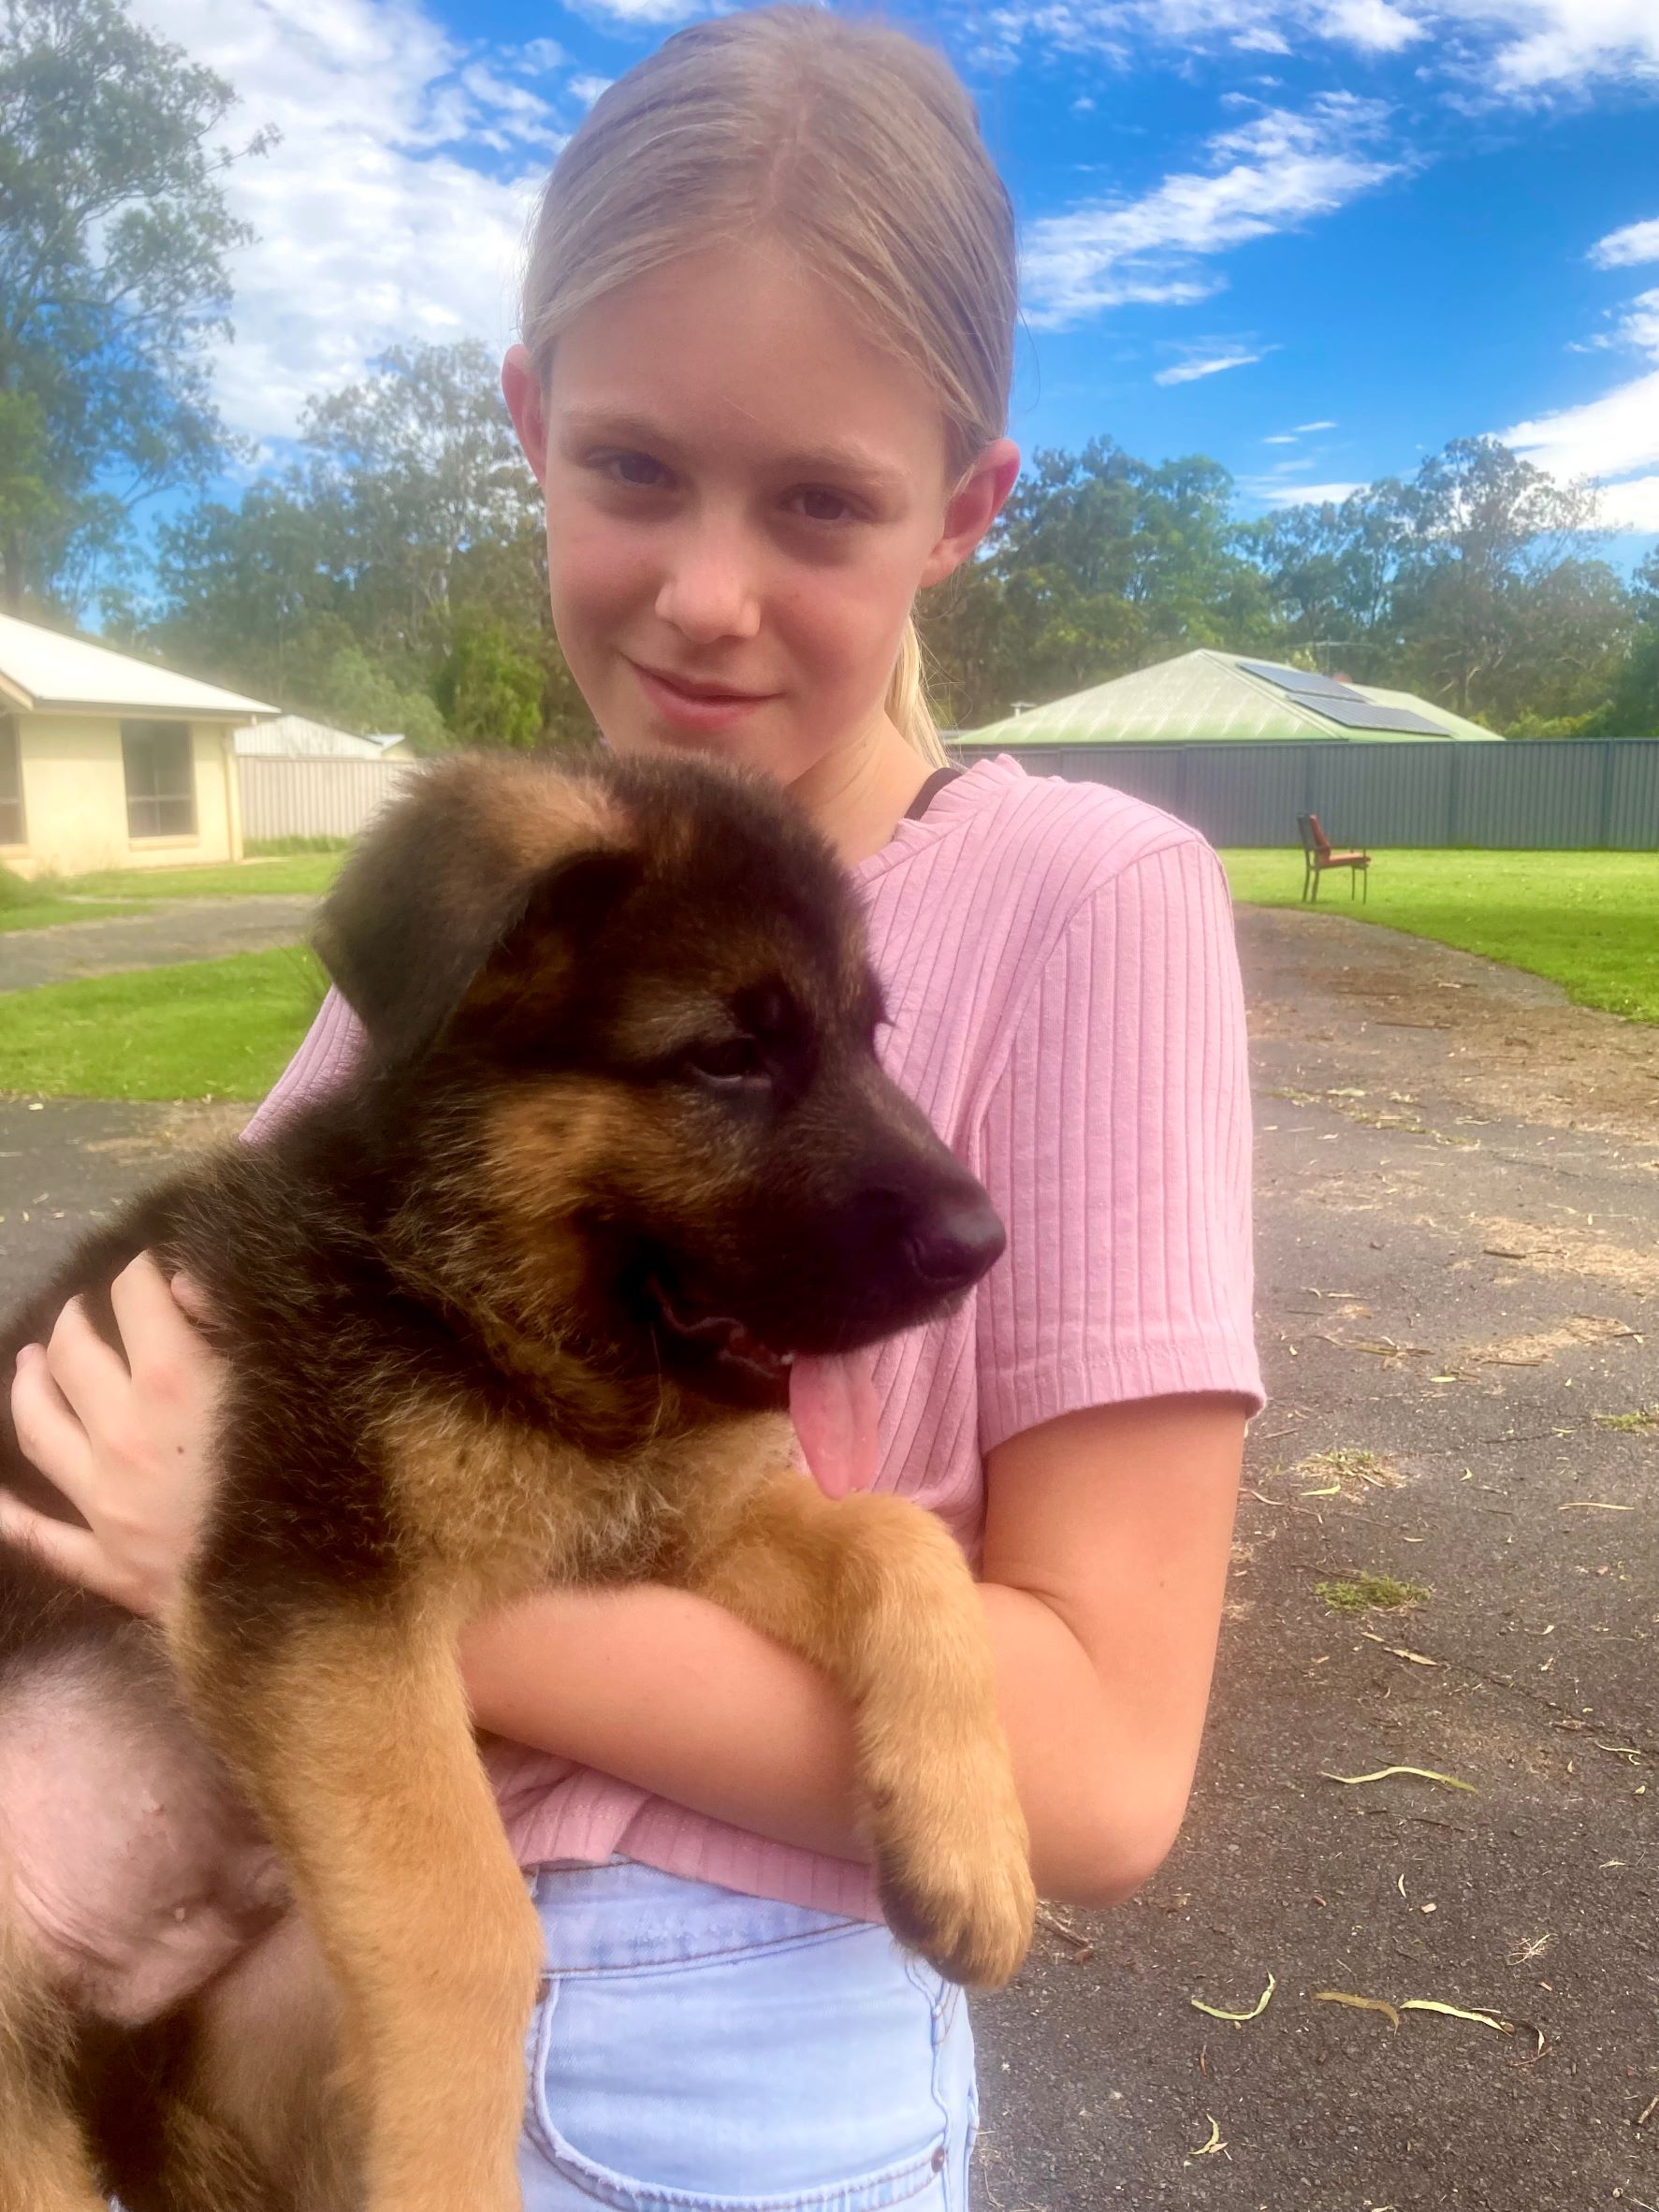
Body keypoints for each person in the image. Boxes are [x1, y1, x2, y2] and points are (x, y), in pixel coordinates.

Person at [1, 10, 1263, 2205]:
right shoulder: (501, 939)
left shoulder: (1086, 896)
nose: (703, 591)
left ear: (966, 505)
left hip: (688, 2069)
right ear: (532, 430)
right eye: (635, 470)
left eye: (818, 499)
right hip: (233, 1947)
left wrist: (319, 1574)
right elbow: (260, 1399)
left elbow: (1110, 1789)